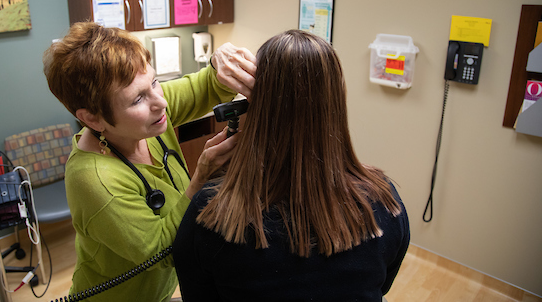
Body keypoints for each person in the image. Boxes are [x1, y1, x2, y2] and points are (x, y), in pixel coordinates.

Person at [172, 29, 410, 302]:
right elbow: (382, 284)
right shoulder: (386, 202)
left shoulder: (210, 215)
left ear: (254, 107)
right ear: (335, 104)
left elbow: (198, 295)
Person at [42, 22, 256, 302]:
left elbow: (206, 86)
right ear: (92, 118)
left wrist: (223, 63)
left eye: (154, 82)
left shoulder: (146, 119)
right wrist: (201, 178)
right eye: (138, 99)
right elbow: (159, 251)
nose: (161, 102)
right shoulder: (95, 180)